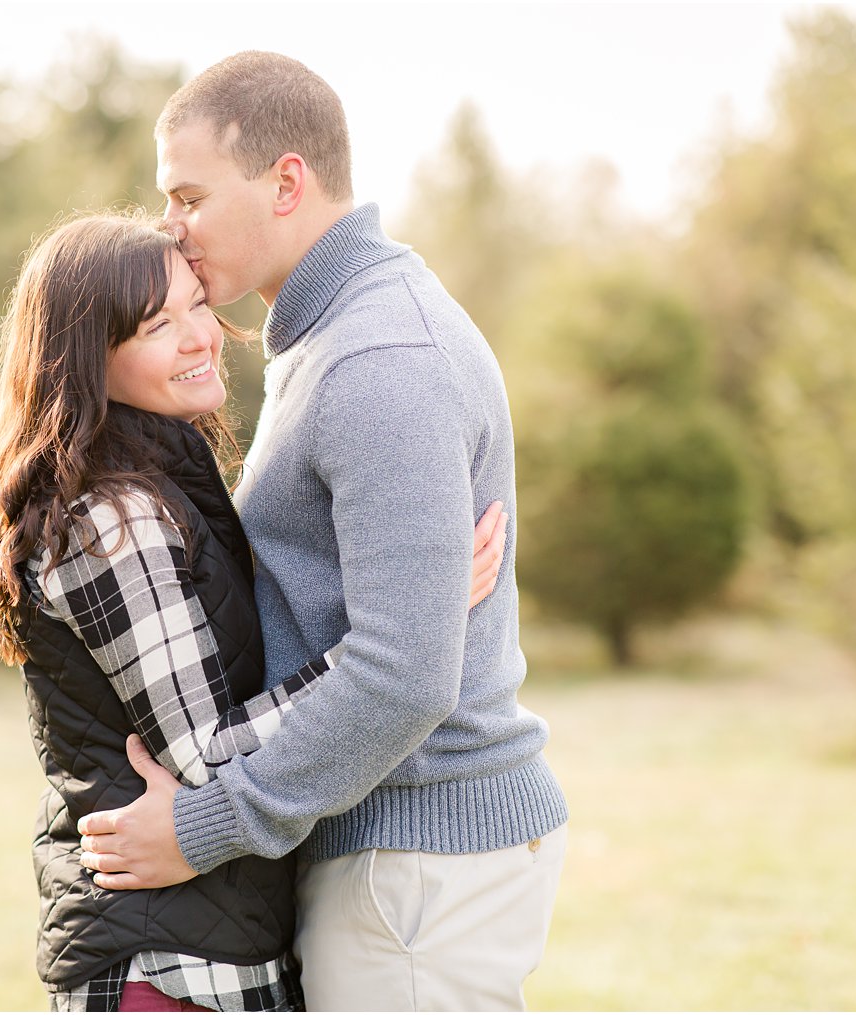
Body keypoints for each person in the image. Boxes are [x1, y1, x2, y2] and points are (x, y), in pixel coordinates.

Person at [74, 52, 571, 1012]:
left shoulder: (378, 357)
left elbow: (406, 671)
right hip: (390, 850)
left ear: (286, 181)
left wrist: (206, 825)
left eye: (188, 196)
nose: (170, 229)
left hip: (418, 857)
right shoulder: (329, 334)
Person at [0, 211, 508, 1012]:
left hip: (207, 943)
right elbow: (205, 756)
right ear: (88, 362)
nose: (201, 337)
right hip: (168, 968)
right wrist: (407, 625)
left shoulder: (166, 486)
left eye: (198, 306)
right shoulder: (112, 522)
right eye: (157, 325)